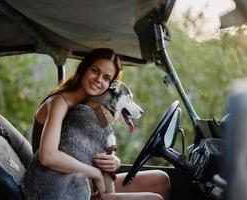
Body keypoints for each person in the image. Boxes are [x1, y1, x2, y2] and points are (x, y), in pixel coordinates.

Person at [23, 48, 170, 200]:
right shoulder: (59, 102)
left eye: (106, 78)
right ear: (84, 68)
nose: (99, 80)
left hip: (84, 181)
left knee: (161, 180)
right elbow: (47, 156)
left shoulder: (95, 106)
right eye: (95, 70)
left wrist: (114, 161)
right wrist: (95, 173)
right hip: (58, 187)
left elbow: (105, 148)